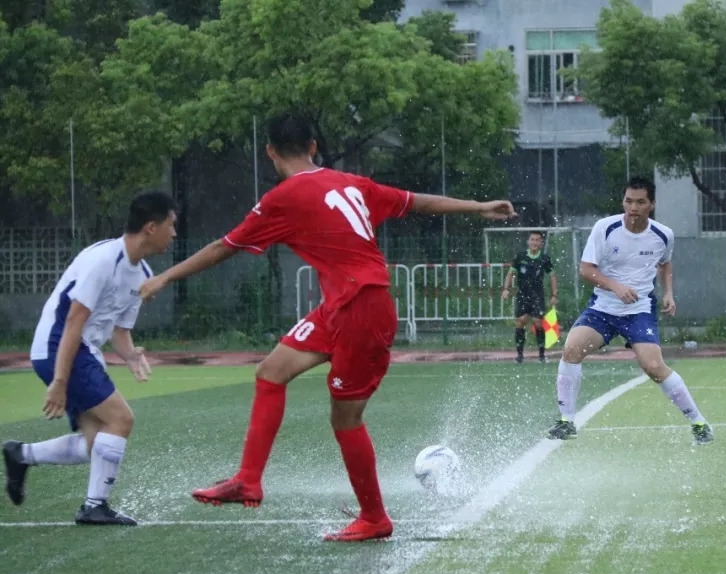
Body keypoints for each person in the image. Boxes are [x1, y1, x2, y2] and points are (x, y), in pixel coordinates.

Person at [139, 112, 515, 542]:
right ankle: (248, 478)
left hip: (360, 306)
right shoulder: (353, 184)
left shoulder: (283, 196)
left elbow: (223, 247)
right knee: (271, 371)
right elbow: (416, 201)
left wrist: (166, 277)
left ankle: (374, 518)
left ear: (270, 153)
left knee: (346, 417)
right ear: (314, 147)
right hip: (342, 305)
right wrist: (479, 206)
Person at [3, 191, 175, 525]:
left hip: (80, 349)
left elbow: (120, 332)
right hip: (58, 345)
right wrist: (60, 381)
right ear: (151, 227)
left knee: (98, 441)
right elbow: (73, 321)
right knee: (121, 420)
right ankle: (94, 506)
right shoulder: (103, 260)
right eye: (172, 225)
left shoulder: (142, 275)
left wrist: (130, 355)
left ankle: (20, 455)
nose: (175, 233)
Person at [546, 177, 713, 445]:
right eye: (628, 201)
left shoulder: (663, 235)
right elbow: (586, 270)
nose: (633, 207)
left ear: (652, 205)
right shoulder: (605, 228)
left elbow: (665, 264)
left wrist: (668, 292)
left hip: (639, 311)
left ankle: (699, 423)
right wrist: (615, 286)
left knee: (654, 366)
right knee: (571, 350)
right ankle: (566, 421)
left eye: (640, 202)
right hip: (603, 308)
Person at [500, 231, 557, 363]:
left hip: (537, 295)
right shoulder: (520, 257)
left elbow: (552, 276)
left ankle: (542, 355)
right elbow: (510, 274)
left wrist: (554, 294)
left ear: (541, 243)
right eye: (532, 240)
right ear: (528, 242)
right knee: (520, 321)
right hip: (522, 295)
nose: (535, 242)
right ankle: (519, 355)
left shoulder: (544, 258)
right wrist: (505, 289)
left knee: (538, 322)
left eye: (538, 240)